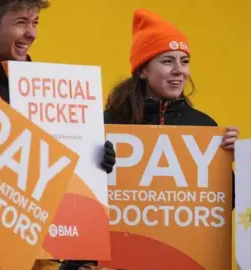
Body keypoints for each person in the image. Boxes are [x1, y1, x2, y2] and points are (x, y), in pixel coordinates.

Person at [59, 8, 239, 270]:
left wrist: (233, 162)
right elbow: (75, 200)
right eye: (167, 61)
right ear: (142, 69)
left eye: (185, 61)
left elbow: (220, 211)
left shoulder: (204, 128)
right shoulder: (106, 124)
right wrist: (93, 165)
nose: (180, 71)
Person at [0, 2, 116, 270]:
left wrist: (94, 158)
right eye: (21, 22)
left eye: (35, 23)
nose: (32, 33)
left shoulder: (45, 86)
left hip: (39, 248)